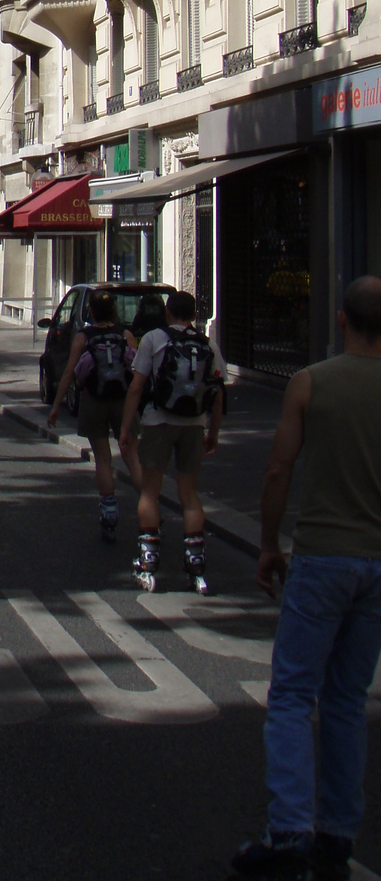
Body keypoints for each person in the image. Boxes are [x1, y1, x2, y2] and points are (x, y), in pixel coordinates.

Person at [232, 277, 381, 881]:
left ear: (341, 320)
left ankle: (290, 826)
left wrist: (269, 545)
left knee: (293, 695)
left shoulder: (309, 382)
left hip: (322, 555)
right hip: (378, 562)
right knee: (346, 701)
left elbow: (278, 469)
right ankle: (337, 835)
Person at [120, 289, 225, 593]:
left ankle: (148, 560)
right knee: (188, 493)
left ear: (168, 313)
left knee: (150, 492)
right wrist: (213, 432)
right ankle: (196, 563)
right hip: (194, 425)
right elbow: (217, 396)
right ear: (194, 315)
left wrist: (127, 427)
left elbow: (137, 387)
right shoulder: (208, 345)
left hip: (158, 421)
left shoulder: (153, 339)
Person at [48, 287, 143, 539]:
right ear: (114, 310)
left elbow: (69, 372)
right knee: (132, 456)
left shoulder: (83, 336)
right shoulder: (126, 335)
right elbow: (136, 372)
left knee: (102, 458)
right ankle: (149, 508)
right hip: (123, 401)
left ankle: (109, 512)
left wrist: (57, 405)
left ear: (91, 311)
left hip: (93, 400)